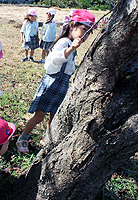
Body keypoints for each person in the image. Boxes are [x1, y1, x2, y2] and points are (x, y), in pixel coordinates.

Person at [17, 9, 97, 153]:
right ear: (73, 25)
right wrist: (70, 49)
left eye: (89, 32)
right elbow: (52, 61)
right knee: (39, 116)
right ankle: (23, 138)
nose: (86, 35)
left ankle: (48, 139)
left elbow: (69, 68)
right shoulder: (64, 42)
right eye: (84, 29)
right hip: (52, 83)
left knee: (55, 117)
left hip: (62, 85)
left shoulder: (72, 45)